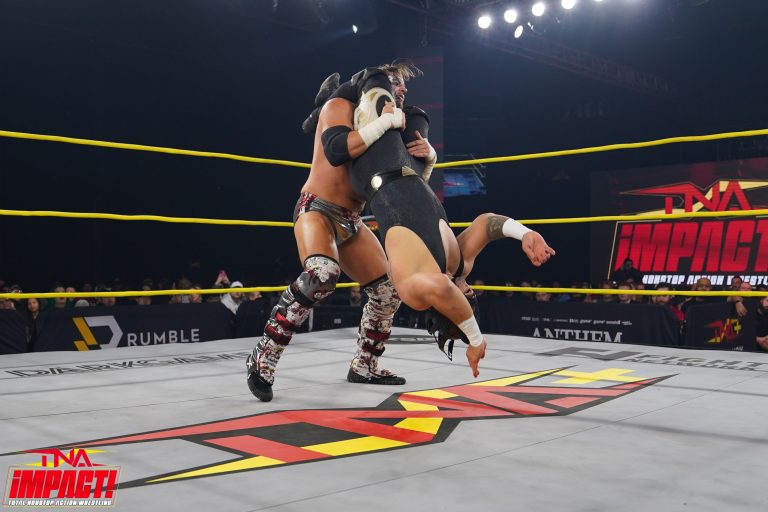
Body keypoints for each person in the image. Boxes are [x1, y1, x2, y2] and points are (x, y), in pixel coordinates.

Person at [347, 62, 555, 373]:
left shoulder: (417, 291)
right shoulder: (459, 264)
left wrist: (475, 339)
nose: (471, 291)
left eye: (468, 299)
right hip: (409, 168)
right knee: (417, 118)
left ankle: (336, 96)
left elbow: (442, 290)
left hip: (374, 168)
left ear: (453, 309)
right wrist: (525, 233)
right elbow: (487, 223)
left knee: (373, 86)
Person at [246, 69, 407, 403]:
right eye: (395, 82)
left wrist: (426, 157)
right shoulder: (340, 106)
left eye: (406, 86)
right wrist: (385, 123)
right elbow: (336, 149)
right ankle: (264, 355)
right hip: (317, 208)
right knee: (322, 274)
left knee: (388, 291)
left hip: (352, 220)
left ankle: (365, 364)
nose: (402, 89)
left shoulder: (389, 127)